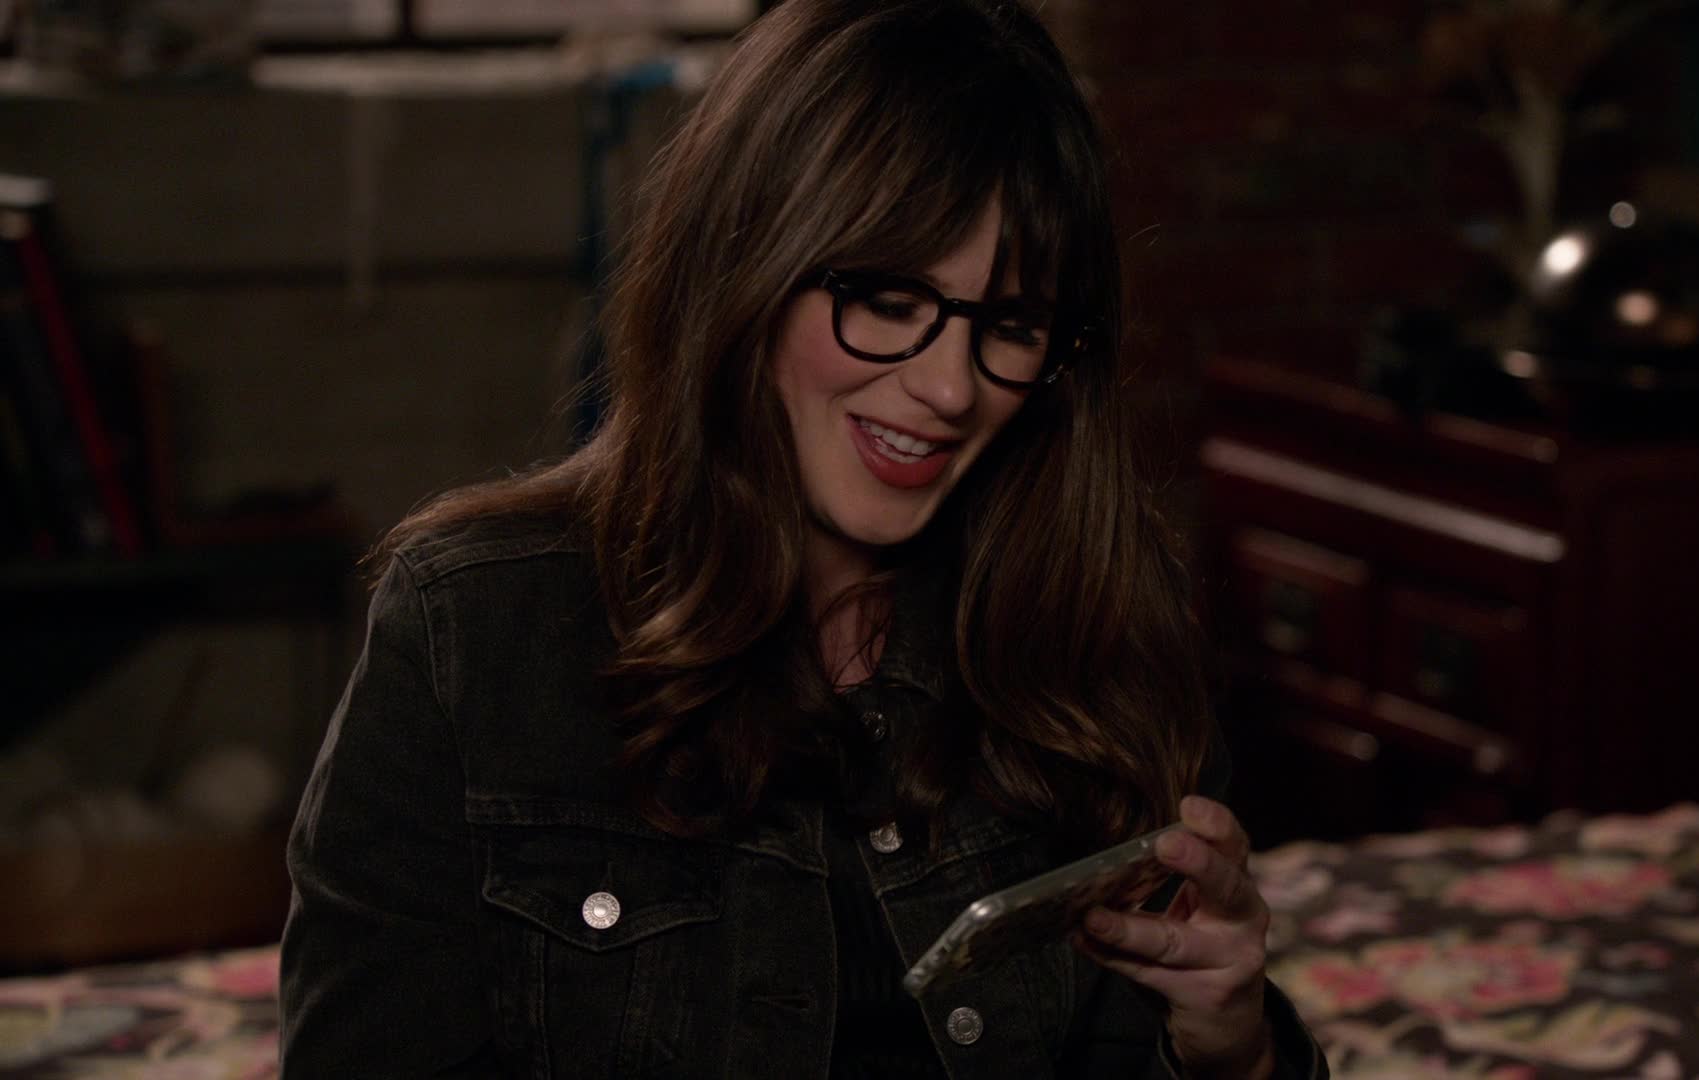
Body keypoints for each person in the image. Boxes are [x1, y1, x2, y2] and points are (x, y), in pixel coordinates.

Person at [277, 1, 1327, 1076]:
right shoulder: (470, 631)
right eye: (890, 299)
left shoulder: (1098, 630)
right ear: (746, 265)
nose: (950, 388)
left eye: (1011, 325)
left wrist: (1234, 1050)